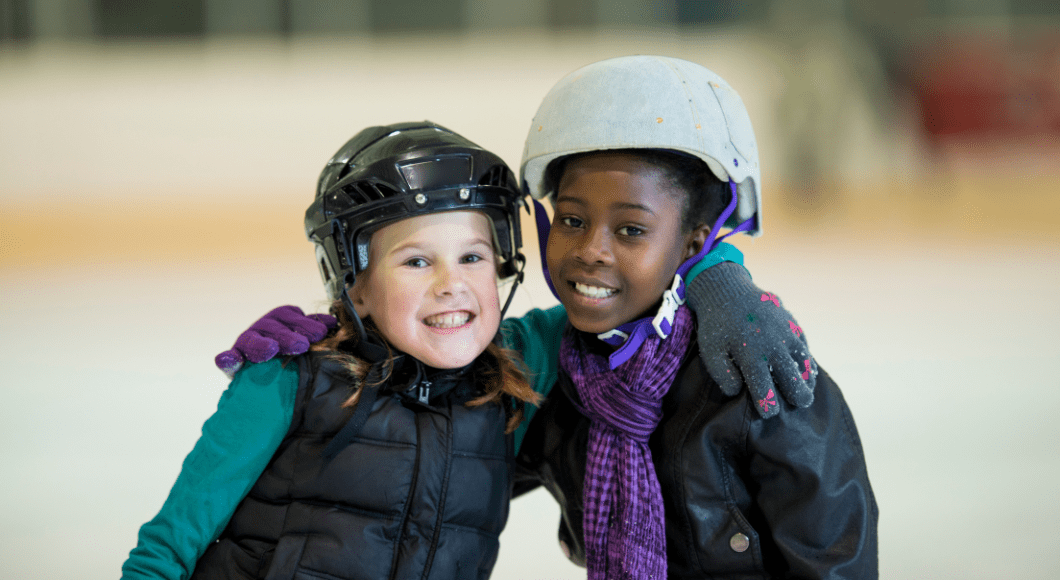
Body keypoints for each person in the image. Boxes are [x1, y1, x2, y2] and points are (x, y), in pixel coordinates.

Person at [122, 122, 562, 580]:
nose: (452, 285)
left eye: (472, 257)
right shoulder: (290, 379)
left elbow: (617, 301)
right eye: (416, 261)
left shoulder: (510, 375)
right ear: (355, 285)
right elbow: (164, 553)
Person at [512, 55, 877, 579]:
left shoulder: (757, 369)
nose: (591, 250)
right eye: (572, 220)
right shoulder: (556, 376)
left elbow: (833, 559)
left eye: (631, 230)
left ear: (694, 242)